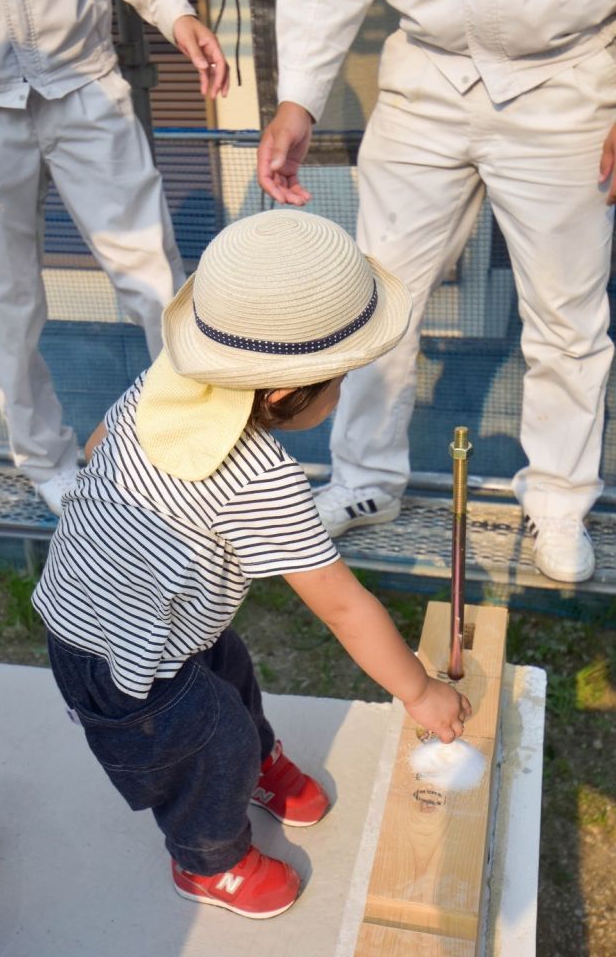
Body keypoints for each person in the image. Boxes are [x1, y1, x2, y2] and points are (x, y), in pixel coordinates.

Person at [31, 210, 471, 920]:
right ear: (281, 395)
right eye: (337, 381)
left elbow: (97, 442)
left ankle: (255, 763)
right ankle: (207, 861)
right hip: (115, 655)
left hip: (151, 618)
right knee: (202, 745)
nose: (340, 394)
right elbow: (341, 605)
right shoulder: (257, 476)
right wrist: (420, 693)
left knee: (229, 675)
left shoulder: (169, 379)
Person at [257, 0, 616, 585]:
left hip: (571, 82)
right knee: (376, 298)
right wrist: (299, 98)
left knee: (567, 315)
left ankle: (560, 505)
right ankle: (364, 480)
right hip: (424, 77)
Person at [0, 0, 229, 515]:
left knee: (157, 280)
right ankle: (47, 462)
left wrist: (175, 11)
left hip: (84, 78)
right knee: (5, 304)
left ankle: (189, 447)